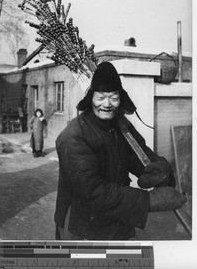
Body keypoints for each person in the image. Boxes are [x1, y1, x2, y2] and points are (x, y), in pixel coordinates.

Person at [54, 61, 186, 240]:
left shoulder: (120, 125)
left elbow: (140, 153)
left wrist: (161, 168)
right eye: (100, 97)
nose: (107, 104)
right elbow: (92, 192)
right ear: (91, 98)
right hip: (82, 224)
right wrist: (151, 200)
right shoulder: (75, 135)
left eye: (113, 98)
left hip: (116, 220)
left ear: (120, 99)